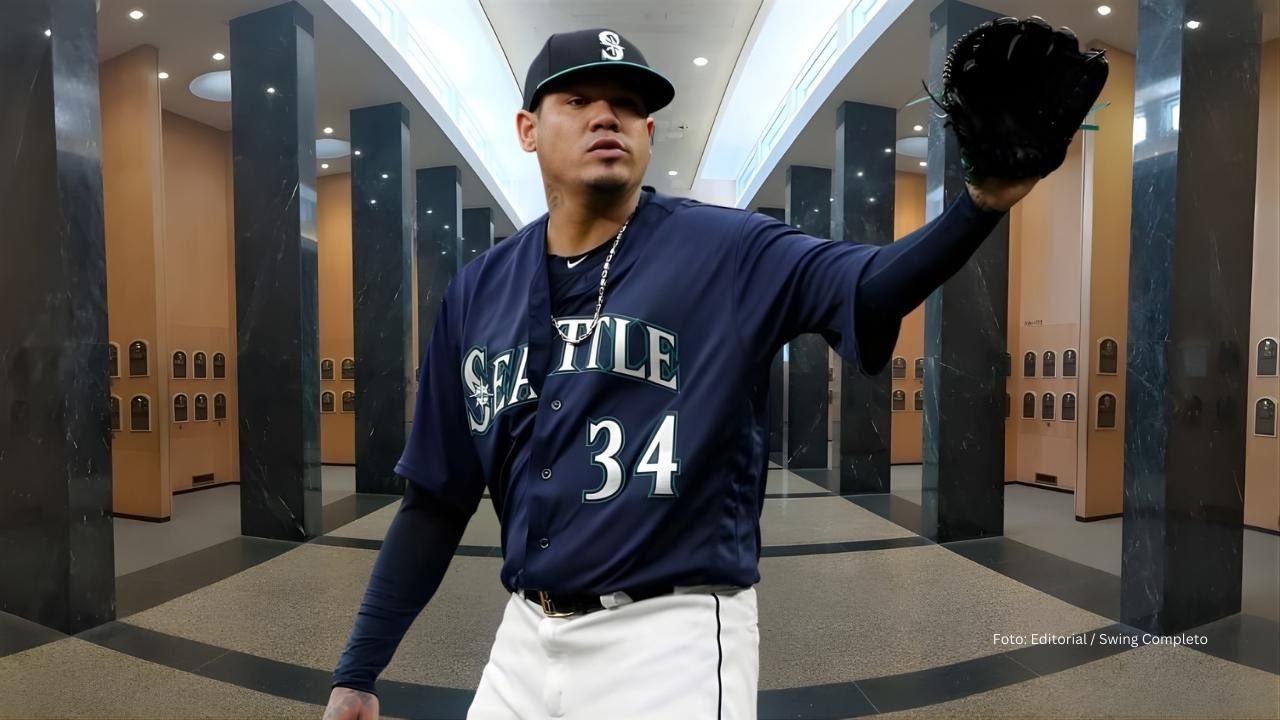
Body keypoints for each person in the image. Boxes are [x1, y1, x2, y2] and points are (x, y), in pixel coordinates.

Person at [323, 27, 1037, 720]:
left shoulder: (728, 248)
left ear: (649, 132)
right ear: (527, 129)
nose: (607, 116)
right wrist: (358, 671)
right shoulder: (478, 290)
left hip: (671, 638)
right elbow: (436, 499)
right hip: (523, 635)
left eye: (629, 104)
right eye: (578, 99)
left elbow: (868, 283)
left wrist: (977, 206)